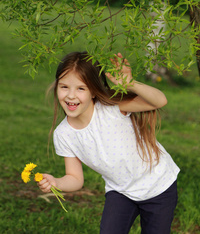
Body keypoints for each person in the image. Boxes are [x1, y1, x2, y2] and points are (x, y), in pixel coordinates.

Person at [38, 51, 180, 234]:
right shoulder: (64, 134)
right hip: (121, 192)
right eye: (64, 87)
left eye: (81, 88)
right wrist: (56, 182)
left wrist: (131, 84)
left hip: (159, 186)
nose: (71, 95)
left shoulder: (112, 108)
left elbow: (159, 101)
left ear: (94, 91)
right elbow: (75, 178)